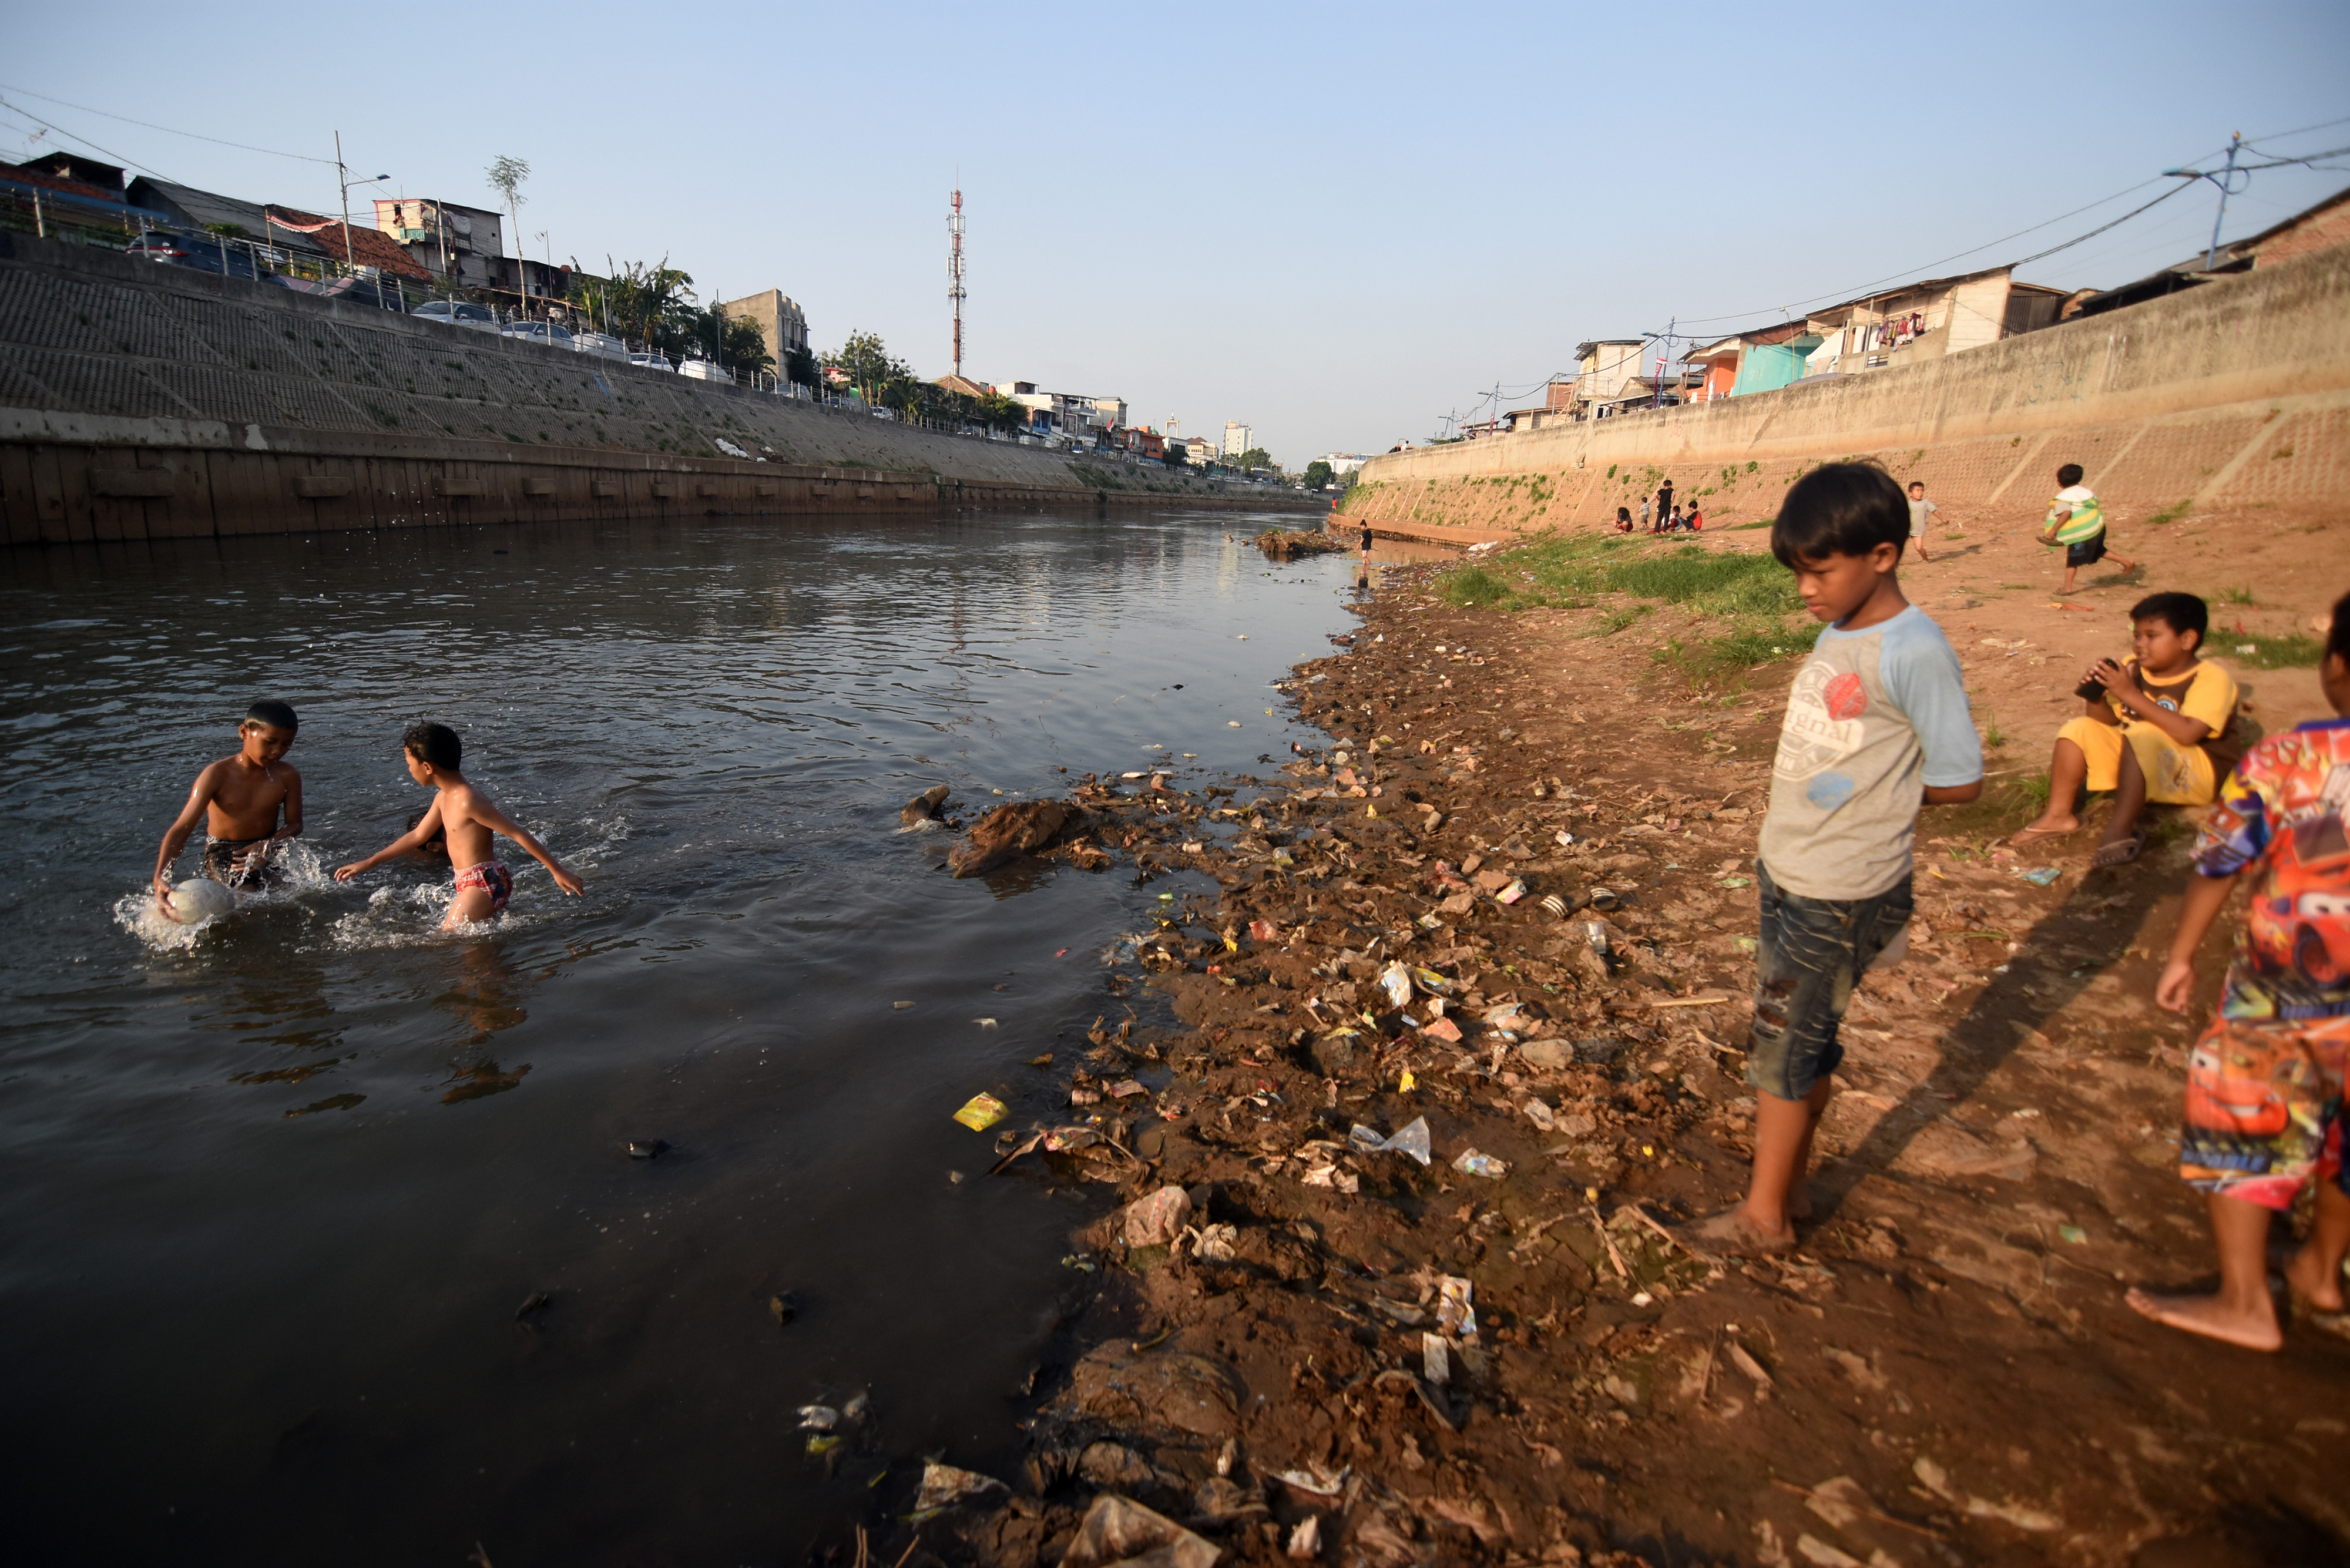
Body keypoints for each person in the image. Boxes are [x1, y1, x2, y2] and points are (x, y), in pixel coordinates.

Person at [1683, 463, 1983, 1254]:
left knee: (1782, 1048)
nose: (1806, 589)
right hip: (1790, 869)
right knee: (1805, 1037)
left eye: (1820, 571)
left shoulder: (1914, 649)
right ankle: (1794, 1188)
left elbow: (1960, 778)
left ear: (1883, 555)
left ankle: (1765, 1217)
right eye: (1799, 574)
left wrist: (1880, 801)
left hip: (1842, 887)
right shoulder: (1840, 628)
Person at [2127, 589, 2350, 1351]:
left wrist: (2184, 953)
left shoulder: (2290, 758)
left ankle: (2248, 1299)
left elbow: (2222, 861)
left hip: (2291, 987)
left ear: (2336, 668)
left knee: (2243, 1108)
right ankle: (2322, 1271)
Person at [2010, 593, 2240, 866]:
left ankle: (2119, 829)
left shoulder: (2211, 678)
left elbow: (2189, 733)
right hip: (2144, 763)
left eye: (2152, 636)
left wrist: (2130, 694)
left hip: (2196, 774)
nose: (2140, 645)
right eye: (2137, 636)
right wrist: (2096, 697)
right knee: (2079, 728)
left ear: (2187, 640)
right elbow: (2107, 722)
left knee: (2142, 733)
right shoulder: (2133, 668)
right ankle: (2058, 816)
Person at [335, 722, 583, 928]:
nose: (409, 771)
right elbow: (418, 836)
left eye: (409, 765)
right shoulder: (444, 797)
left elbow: (517, 833)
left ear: (427, 767)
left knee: (448, 939)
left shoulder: (467, 800)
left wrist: (557, 870)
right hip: (472, 882)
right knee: (474, 952)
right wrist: (368, 863)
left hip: (484, 883)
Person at [153, 700, 304, 908]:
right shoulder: (216, 775)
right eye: (270, 742)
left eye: (286, 744)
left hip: (266, 847)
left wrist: (268, 845)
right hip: (226, 852)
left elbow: (295, 825)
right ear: (244, 732)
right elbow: (182, 829)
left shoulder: (288, 775)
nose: (278, 751)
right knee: (248, 903)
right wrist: (160, 876)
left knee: (293, 898)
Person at [2042, 462, 2137, 593]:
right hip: (2097, 527)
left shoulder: (2063, 498)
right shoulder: (2086, 492)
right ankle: (2127, 562)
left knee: (2073, 559)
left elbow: (2066, 514)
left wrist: (2054, 530)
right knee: (2098, 550)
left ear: (2059, 483)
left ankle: (2067, 588)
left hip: (2082, 532)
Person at [1905, 480, 1936, 563]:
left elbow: (1934, 511)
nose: (1920, 493)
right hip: (1907, 528)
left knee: (1919, 548)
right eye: (1918, 491)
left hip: (1918, 529)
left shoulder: (1925, 503)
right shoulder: (1908, 504)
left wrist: (1944, 519)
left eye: (1922, 491)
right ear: (1910, 494)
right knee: (1897, 546)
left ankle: (1925, 559)